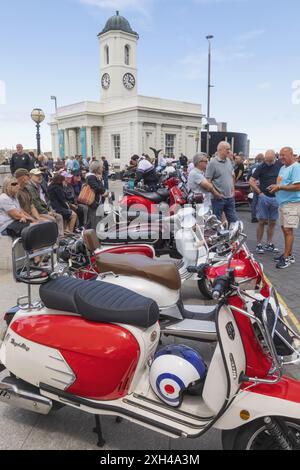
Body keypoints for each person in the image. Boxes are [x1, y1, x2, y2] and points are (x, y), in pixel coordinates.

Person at [268, 147, 300, 269]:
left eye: (284, 155)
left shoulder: (296, 167)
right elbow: (282, 183)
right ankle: (288, 254)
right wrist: (276, 186)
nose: (281, 157)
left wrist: (280, 188)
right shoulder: (283, 167)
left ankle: (286, 258)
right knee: (285, 230)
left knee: (288, 230)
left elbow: (298, 186)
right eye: (280, 155)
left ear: (291, 155)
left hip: (292, 203)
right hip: (282, 203)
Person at [249, 150, 282, 254]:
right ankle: (259, 244)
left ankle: (269, 243)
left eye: (270, 161)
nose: (268, 163)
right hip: (264, 197)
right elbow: (251, 180)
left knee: (272, 222)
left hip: (276, 198)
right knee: (262, 221)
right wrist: (259, 192)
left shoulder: (280, 165)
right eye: (266, 161)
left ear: (274, 158)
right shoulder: (261, 166)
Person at [206, 141, 238, 224]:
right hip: (218, 199)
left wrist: (233, 190)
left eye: (229, 149)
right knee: (217, 223)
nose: (229, 151)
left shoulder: (228, 161)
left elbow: (231, 176)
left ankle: (232, 237)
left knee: (233, 221)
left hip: (230, 198)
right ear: (220, 150)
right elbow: (208, 182)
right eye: (227, 149)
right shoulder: (212, 163)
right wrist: (216, 194)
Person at [27, 169, 65, 238]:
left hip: (45, 209)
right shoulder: (30, 187)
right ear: (31, 176)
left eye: (40, 175)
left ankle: (61, 238)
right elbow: (35, 203)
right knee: (52, 220)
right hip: (38, 211)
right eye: (37, 175)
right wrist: (47, 212)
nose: (39, 177)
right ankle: (53, 239)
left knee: (59, 217)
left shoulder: (40, 185)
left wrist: (50, 209)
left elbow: (47, 199)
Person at [85, 161, 106, 230]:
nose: (102, 169)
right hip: (93, 202)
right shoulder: (91, 177)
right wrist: (99, 180)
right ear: (96, 169)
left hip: (97, 202)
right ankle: (91, 237)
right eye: (101, 167)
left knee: (96, 220)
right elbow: (100, 189)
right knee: (94, 221)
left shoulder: (95, 177)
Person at [247, 153, 265, 223]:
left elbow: (248, 176)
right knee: (263, 201)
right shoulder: (264, 166)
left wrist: (252, 184)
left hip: (254, 185)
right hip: (262, 185)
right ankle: (263, 217)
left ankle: (253, 217)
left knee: (254, 201)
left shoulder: (252, 166)